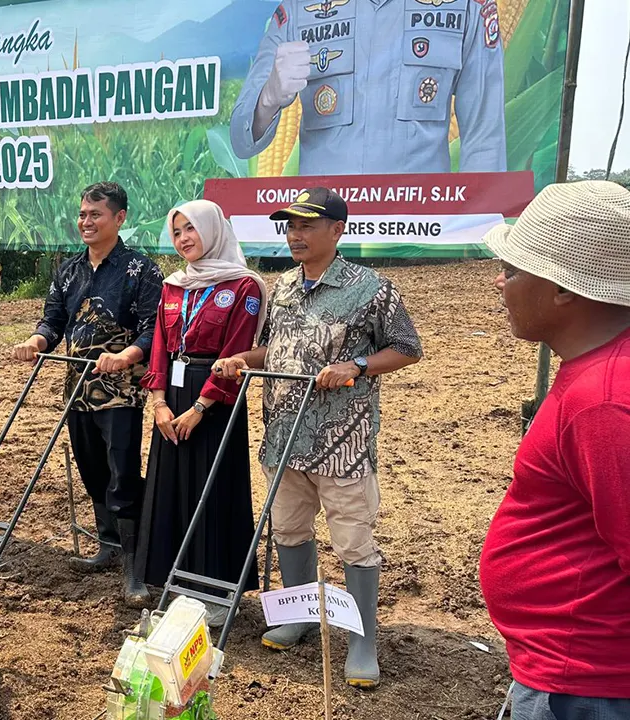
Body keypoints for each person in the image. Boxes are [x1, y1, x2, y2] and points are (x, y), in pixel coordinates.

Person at [214, 187, 423, 688]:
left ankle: (361, 640)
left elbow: (408, 348)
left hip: (342, 442)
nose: (295, 235)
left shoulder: (371, 289)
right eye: (290, 226)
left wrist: (356, 365)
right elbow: (275, 349)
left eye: (307, 225)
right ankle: (301, 615)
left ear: (337, 230)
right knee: (288, 529)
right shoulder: (282, 286)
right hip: (284, 436)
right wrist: (244, 360)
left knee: (352, 539)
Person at [478, 180, 630, 717]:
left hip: (584, 685)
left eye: (515, 270)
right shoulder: (596, 373)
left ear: (564, 290)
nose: (501, 282)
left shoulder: (604, 402)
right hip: (563, 668)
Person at [10, 181, 164, 608]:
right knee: (91, 468)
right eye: (82, 214)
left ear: (120, 218)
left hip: (120, 392)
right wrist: (37, 342)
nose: (85, 222)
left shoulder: (141, 270)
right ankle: (108, 543)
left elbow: (156, 327)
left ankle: (136, 567)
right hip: (77, 389)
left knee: (122, 472)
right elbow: (53, 319)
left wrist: (127, 354)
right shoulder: (69, 270)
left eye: (95, 215)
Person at [138, 200, 267, 627]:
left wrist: (199, 407)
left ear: (212, 229)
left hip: (215, 395)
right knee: (171, 486)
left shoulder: (244, 286)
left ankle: (213, 591)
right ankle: (175, 581)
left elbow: (236, 350)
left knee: (212, 491)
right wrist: (158, 403)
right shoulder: (174, 285)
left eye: (191, 229)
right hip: (171, 395)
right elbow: (159, 345)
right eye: (176, 233)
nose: (183, 239)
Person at [229, 0, 505, 175]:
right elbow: (241, 140)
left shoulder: (466, 5)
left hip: (421, 229)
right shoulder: (299, 8)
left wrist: (477, 243)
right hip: (322, 231)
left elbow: (485, 137)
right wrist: (268, 97)